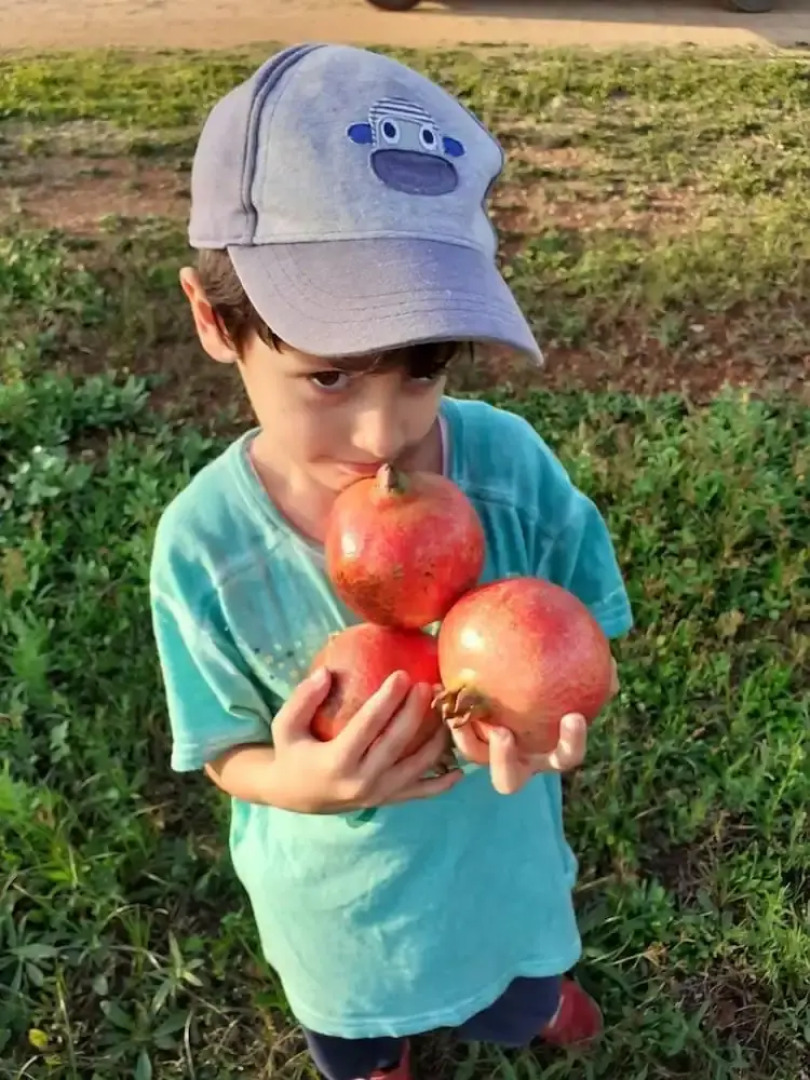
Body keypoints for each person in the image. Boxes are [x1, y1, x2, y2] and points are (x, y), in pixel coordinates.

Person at [150, 43, 633, 1080]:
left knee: (517, 988)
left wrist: (550, 719)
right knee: (359, 1034)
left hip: (499, 873)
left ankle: (531, 999)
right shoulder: (205, 549)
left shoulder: (508, 472)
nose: (384, 435)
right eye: (329, 375)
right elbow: (227, 748)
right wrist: (306, 783)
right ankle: (379, 1053)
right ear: (213, 321)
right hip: (343, 922)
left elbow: (588, 643)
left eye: (423, 369)